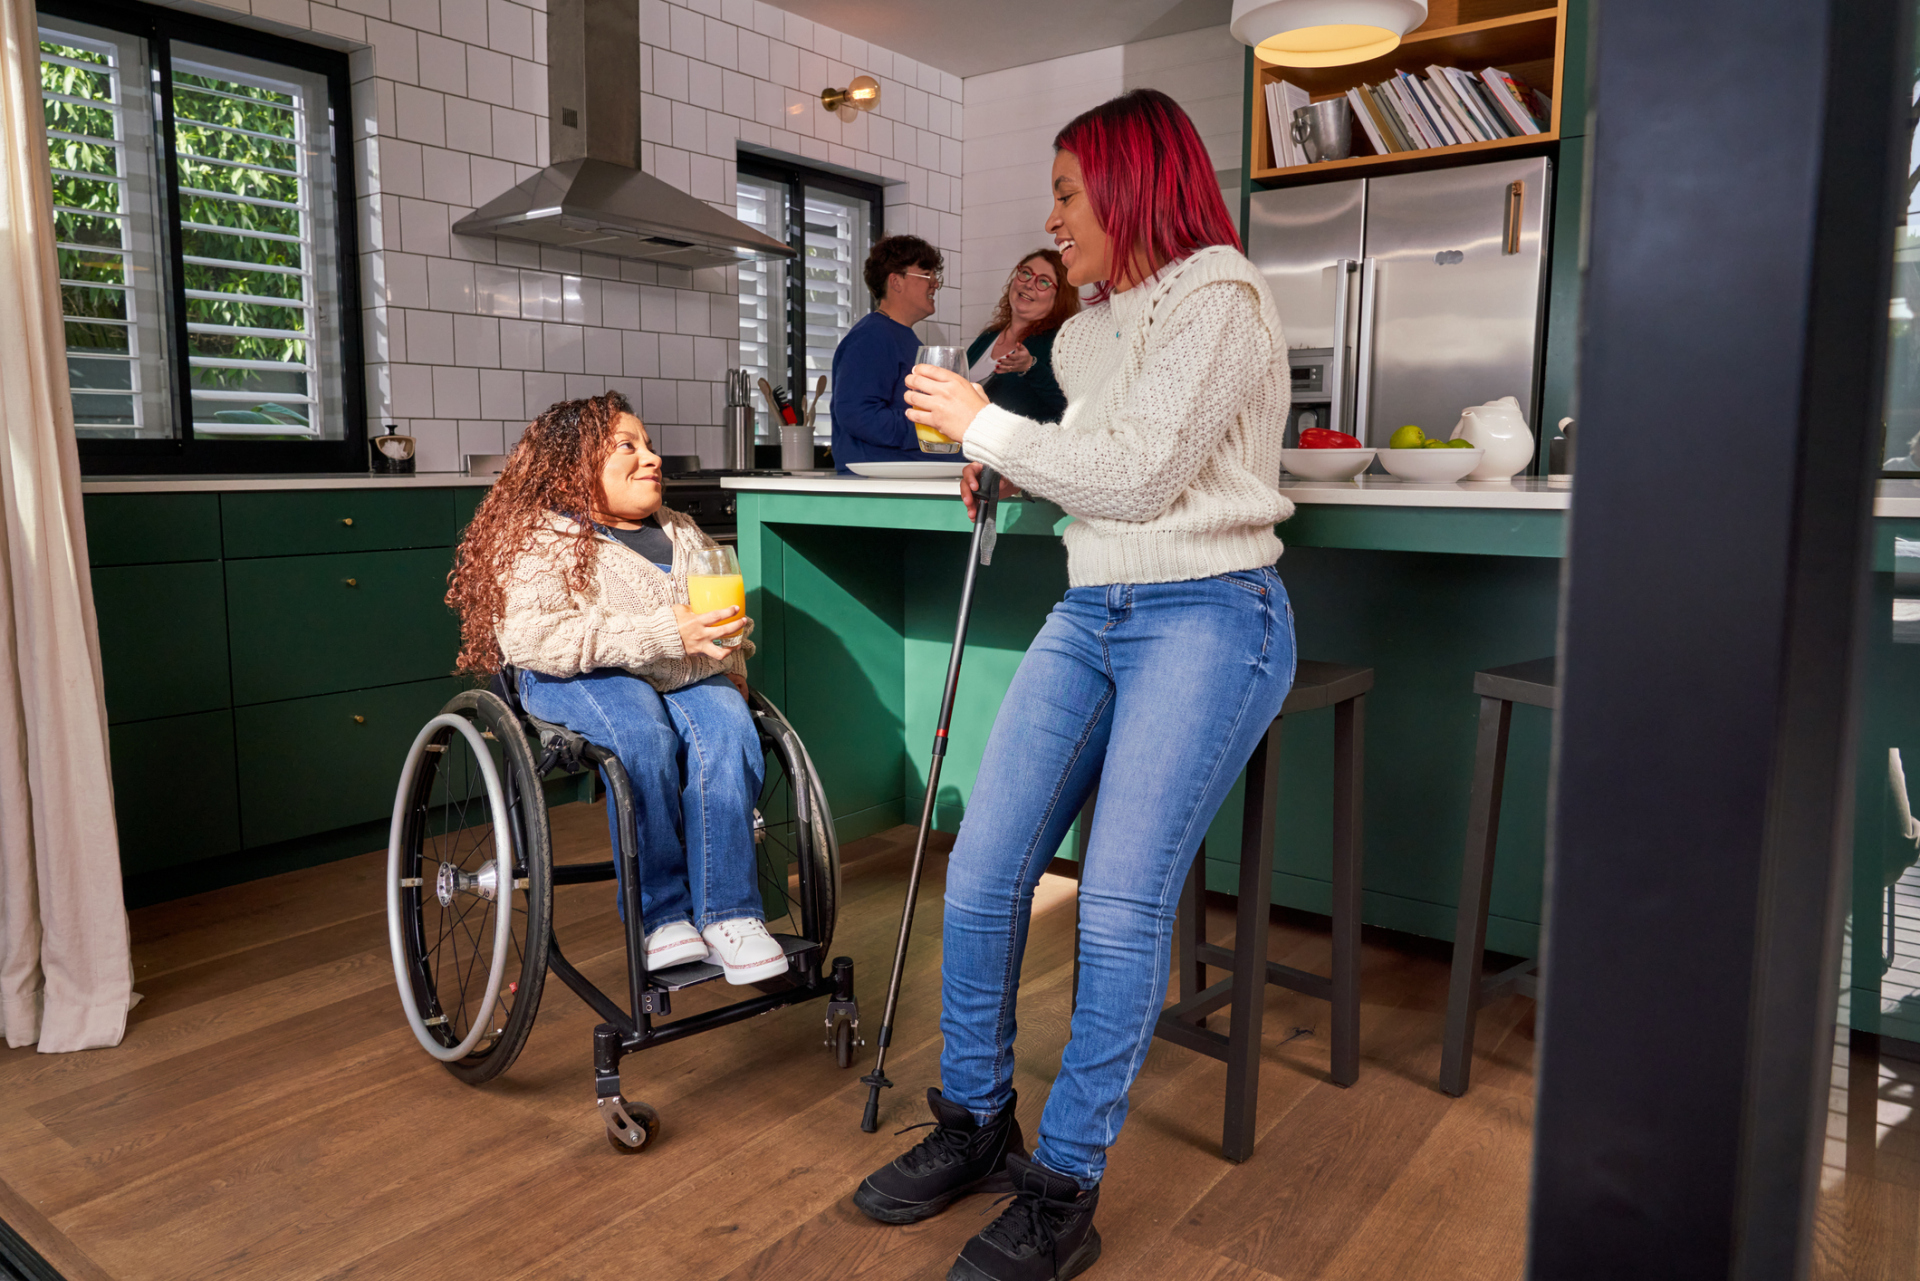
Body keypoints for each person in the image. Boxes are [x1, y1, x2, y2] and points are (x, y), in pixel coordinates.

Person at [852, 89, 1295, 1281]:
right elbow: (1100, 471)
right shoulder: (1091, 329)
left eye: (1063, 190)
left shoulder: (1223, 297)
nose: (1051, 219)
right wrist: (1016, 472)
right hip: (1092, 608)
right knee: (986, 871)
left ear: (1130, 180)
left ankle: (1066, 1186)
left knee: (1113, 905)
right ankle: (978, 1121)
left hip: (1213, 611)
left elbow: (1149, 478)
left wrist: (987, 430)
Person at [444, 391, 789, 986]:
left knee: (729, 726)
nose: (651, 457)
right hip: (574, 677)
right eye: (628, 446)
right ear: (572, 468)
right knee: (639, 729)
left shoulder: (682, 531)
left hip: (680, 675)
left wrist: (735, 662)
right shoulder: (539, 539)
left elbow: (722, 620)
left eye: (650, 445)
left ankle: (729, 915)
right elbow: (531, 638)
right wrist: (664, 631)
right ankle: (661, 916)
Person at [830, 233, 952, 472]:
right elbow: (858, 414)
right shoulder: (871, 337)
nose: (935, 283)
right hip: (878, 487)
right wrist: (929, 428)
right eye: (926, 274)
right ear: (896, 282)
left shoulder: (905, 338)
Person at [963, 249, 1078, 423]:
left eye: (1044, 282)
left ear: (1060, 297)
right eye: (1026, 273)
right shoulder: (988, 337)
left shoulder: (1061, 345)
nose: (1029, 284)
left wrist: (1031, 368)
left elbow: (1072, 408)